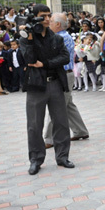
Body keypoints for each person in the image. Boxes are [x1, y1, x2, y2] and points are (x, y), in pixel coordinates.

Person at [20, 5, 74, 175]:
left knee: (61, 122)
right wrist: (29, 38)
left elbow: (65, 57)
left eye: (49, 15)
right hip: (36, 86)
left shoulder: (56, 38)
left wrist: (45, 63)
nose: (47, 19)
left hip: (55, 83)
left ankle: (63, 157)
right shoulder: (26, 38)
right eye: (43, 16)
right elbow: (28, 59)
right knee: (34, 125)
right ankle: (36, 160)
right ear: (34, 17)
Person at [44, 12, 89, 150]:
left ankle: (49, 138)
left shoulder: (60, 38)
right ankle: (80, 130)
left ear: (58, 24)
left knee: (56, 106)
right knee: (68, 105)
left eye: (50, 21)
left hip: (62, 75)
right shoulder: (60, 36)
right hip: (64, 74)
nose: (48, 23)